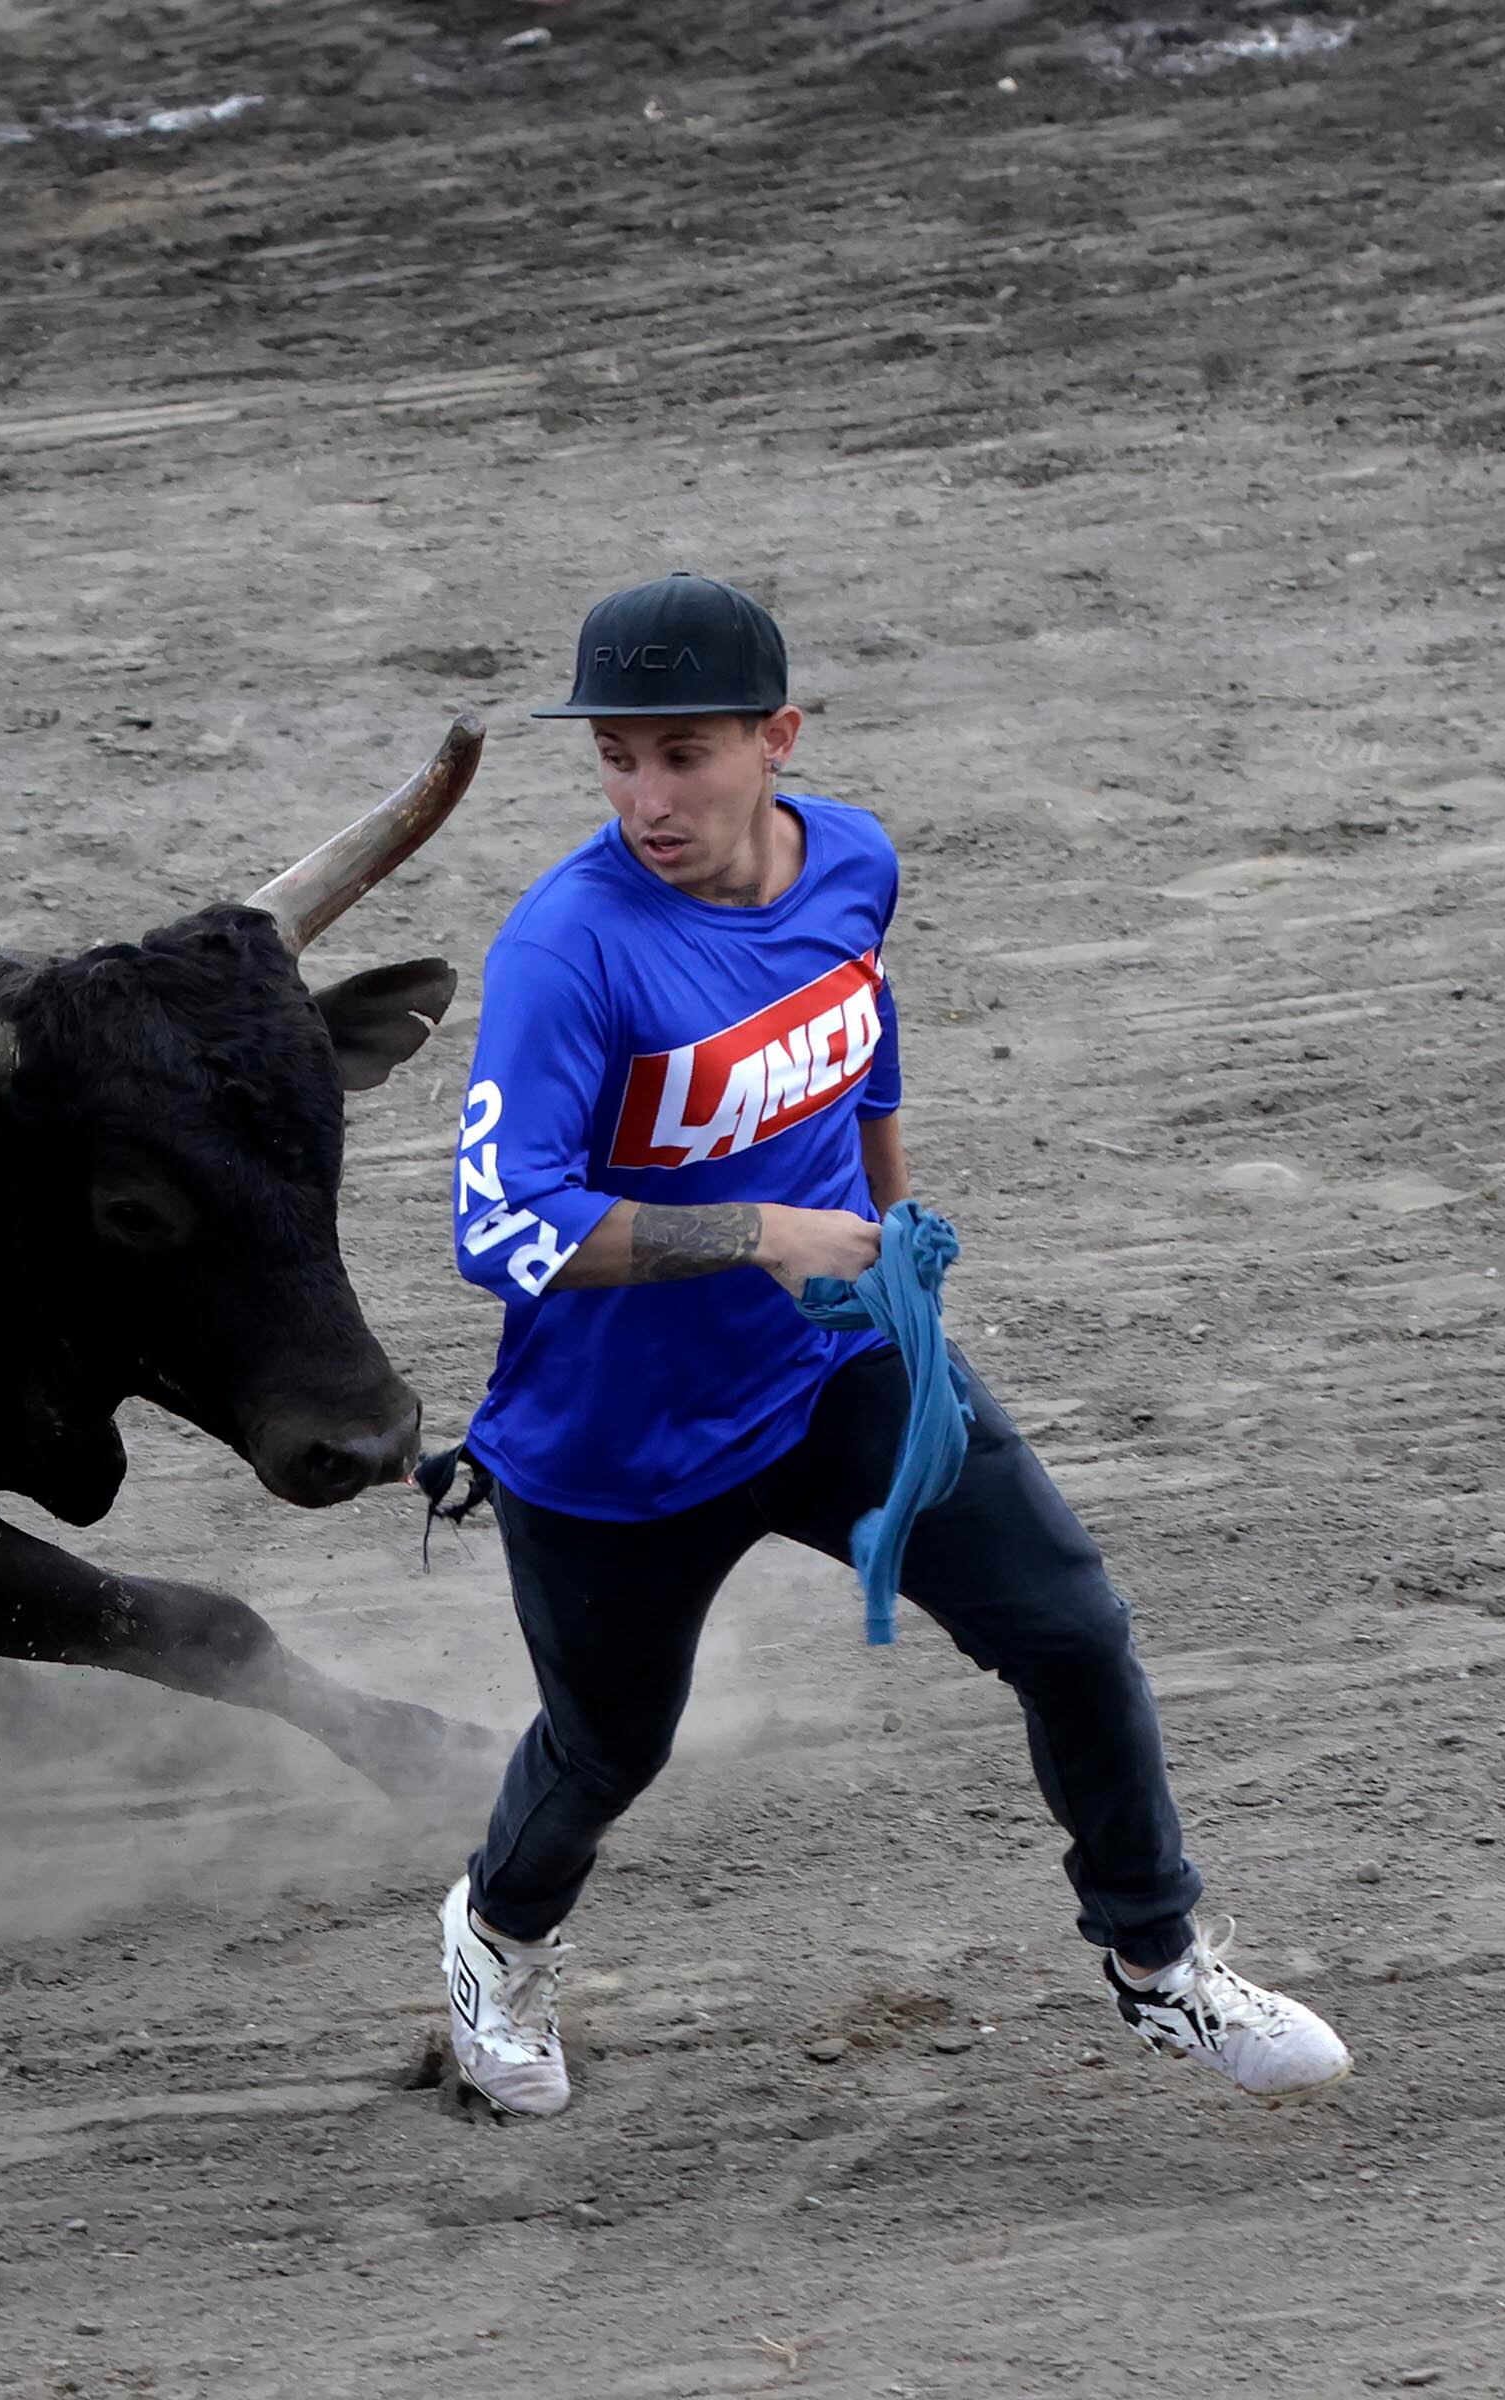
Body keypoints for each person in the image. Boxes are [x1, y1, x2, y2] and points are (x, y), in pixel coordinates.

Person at [430, 572, 1347, 2115]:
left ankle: (1161, 1966)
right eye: (616, 759)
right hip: (615, 1449)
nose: (647, 797)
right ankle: (495, 1938)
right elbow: (498, 1232)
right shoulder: (568, 955)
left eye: (687, 753)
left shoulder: (850, 858)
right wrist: (766, 1235)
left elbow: (860, 1043)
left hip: (842, 1372)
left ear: (778, 738)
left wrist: (896, 1249)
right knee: (606, 1754)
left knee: (1074, 1636)